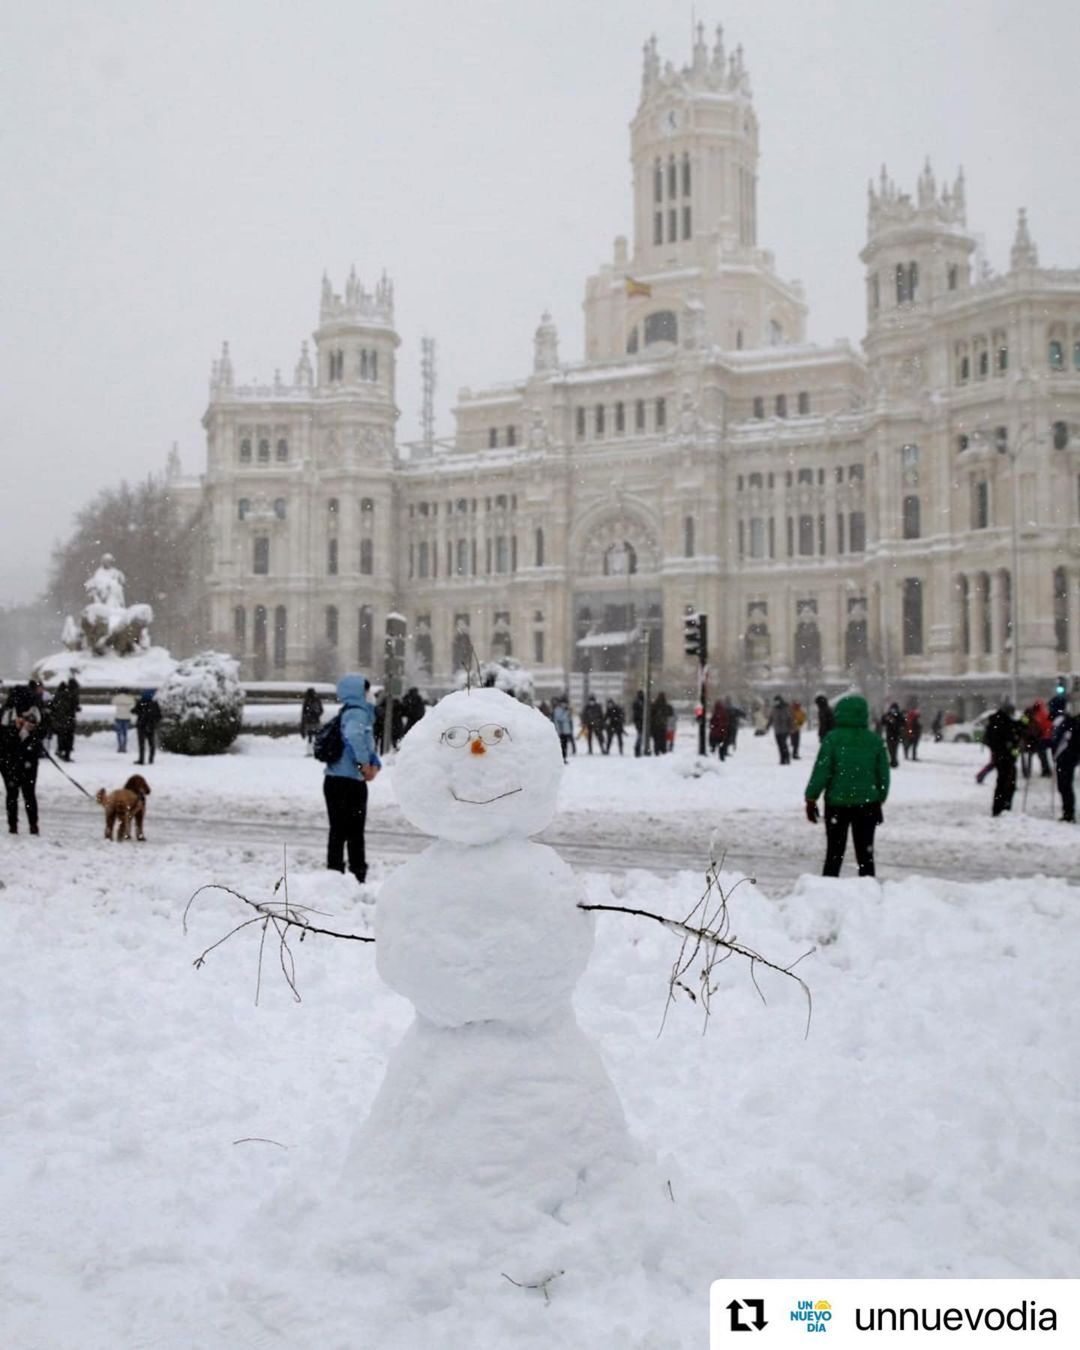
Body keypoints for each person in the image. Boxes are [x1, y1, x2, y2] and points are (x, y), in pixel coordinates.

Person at [804, 693, 890, 877]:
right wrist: (879, 798)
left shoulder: (832, 739)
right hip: (867, 804)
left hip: (837, 805)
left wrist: (811, 798)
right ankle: (869, 893)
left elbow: (822, 771)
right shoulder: (874, 740)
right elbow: (883, 774)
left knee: (834, 854)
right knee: (865, 856)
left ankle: (827, 890)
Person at [323, 674, 381, 884]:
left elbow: (365, 742)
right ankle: (356, 874)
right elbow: (354, 738)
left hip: (338, 780)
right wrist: (363, 765)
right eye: (366, 690)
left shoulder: (352, 712)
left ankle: (336, 873)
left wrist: (374, 764)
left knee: (339, 830)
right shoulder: (357, 713)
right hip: (347, 781)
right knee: (353, 831)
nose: (370, 694)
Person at [1, 683, 43, 834]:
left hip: (14, 760)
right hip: (19, 759)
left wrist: (24, 731)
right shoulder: (35, 713)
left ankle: (19, 824)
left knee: (17, 793)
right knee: (25, 793)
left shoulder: (6, 713)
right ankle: (27, 824)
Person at [983, 699, 1021, 816]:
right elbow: (1009, 739)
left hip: (1003, 756)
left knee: (1005, 782)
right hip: (1004, 757)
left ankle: (1002, 808)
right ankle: (1001, 808)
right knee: (1005, 783)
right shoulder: (1002, 722)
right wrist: (1009, 749)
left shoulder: (1000, 721)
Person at [1052, 699, 1079, 823]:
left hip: (1067, 758)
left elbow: (1063, 740)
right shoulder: (1067, 722)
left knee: (1065, 786)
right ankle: (1068, 812)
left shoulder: (1069, 723)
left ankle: (1069, 813)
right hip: (1066, 758)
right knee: (1064, 786)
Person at [52, 678, 80, 762]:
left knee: (61, 736)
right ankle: (66, 754)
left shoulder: (58, 695)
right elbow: (75, 707)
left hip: (60, 719)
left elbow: (53, 706)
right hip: (69, 719)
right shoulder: (72, 695)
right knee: (69, 737)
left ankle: (60, 750)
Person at [134, 689, 162, 765]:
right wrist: (154, 722)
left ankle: (141, 759)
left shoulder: (140, 703)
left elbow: (134, 711)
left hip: (141, 726)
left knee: (141, 744)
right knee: (152, 744)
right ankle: (151, 759)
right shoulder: (154, 704)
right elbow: (159, 716)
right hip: (151, 726)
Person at [766, 695, 793, 764]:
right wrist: (767, 726)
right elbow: (771, 718)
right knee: (780, 745)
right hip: (777, 730)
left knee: (783, 744)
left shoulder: (786, 708)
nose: (776, 703)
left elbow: (790, 718)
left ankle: (786, 758)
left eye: (777, 701)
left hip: (785, 729)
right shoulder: (774, 709)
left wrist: (791, 727)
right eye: (775, 701)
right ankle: (782, 758)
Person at [881, 702, 904, 769]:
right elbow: (883, 722)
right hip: (889, 735)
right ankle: (893, 761)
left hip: (896, 735)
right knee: (890, 749)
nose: (893, 711)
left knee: (895, 749)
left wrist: (895, 722)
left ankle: (894, 761)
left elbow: (902, 723)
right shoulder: (888, 715)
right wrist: (886, 719)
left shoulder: (899, 715)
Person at [113, 689, 135, 753]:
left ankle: (120, 746)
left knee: (119, 733)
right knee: (125, 733)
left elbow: (113, 702)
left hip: (118, 717)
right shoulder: (130, 698)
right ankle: (124, 747)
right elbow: (133, 704)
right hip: (126, 717)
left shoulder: (117, 698)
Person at [650, 692, 672, 756]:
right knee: (662, 740)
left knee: (656, 740)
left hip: (655, 726)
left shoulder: (655, 705)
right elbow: (670, 713)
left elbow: (651, 714)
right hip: (662, 726)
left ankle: (657, 751)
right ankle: (663, 751)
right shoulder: (665, 705)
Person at [631, 689, 645, 757]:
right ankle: (637, 749)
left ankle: (638, 749)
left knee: (640, 736)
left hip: (639, 721)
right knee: (640, 736)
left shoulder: (641, 701)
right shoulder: (638, 702)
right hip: (639, 721)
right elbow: (636, 713)